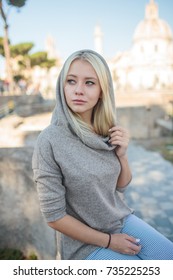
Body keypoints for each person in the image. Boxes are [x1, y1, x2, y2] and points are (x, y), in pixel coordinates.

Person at [32, 49, 173, 260]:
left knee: (167, 256)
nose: (79, 90)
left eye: (89, 82)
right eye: (71, 81)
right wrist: (109, 241)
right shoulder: (49, 140)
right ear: (62, 86)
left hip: (120, 221)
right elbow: (54, 217)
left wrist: (122, 155)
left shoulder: (106, 129)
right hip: (83, 244)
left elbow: (121, 186)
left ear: (102, 91)